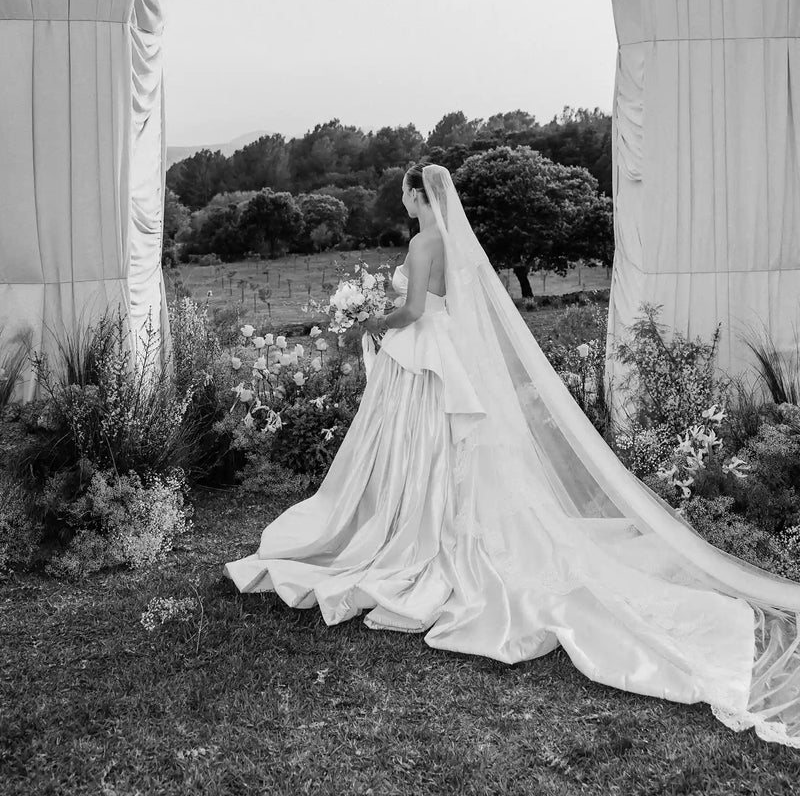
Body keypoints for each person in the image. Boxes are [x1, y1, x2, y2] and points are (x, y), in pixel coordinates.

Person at [224, 163, 800, 748]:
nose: (401, 198)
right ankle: (428, 519)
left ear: (414, 195)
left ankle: (410, 528)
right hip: (442, 357)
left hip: (422, 355)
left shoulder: (423, 242)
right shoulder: (452, 243)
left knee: (418, 448)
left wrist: (370, 324)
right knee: (444, 450)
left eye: (403, 190)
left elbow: (417, 311)